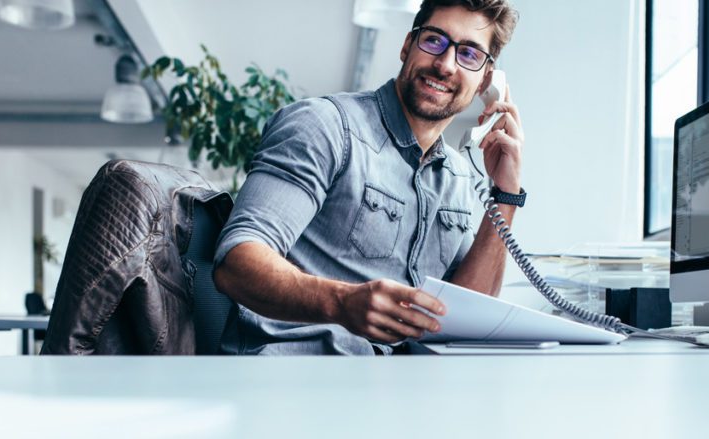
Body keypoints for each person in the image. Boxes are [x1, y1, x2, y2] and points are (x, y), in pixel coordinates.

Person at [213, 0, 522, 355]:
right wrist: (341, 303)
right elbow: (236, 262)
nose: (445, 65)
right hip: (294, 380)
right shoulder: (324, 127)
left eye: (468, 54)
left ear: (486, 79)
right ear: (407, 45)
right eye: (434, 41)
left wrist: (506, 193)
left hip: (396, 393)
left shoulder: (459, 178)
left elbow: (466, 314)